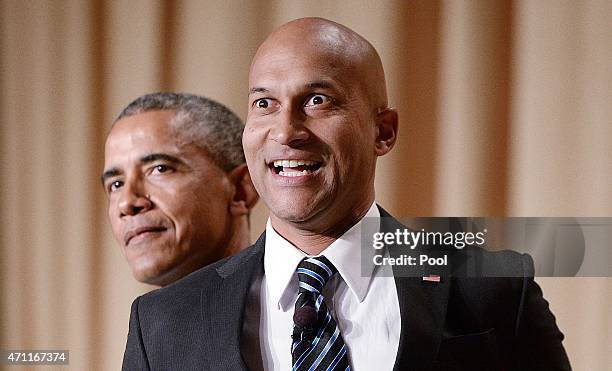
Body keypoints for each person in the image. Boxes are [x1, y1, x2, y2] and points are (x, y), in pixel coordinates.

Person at [122, 19, 571, 370]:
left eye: (318, 100)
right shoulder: (162, 323)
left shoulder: (492, 286)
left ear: (384, 131)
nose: (286, 130)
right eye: (264, 103)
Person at [102, 92, 258, 287]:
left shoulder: (296, 311)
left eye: (160, 169)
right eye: (116, 184)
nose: (127, 203)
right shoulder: (144, 317)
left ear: (240, 190)